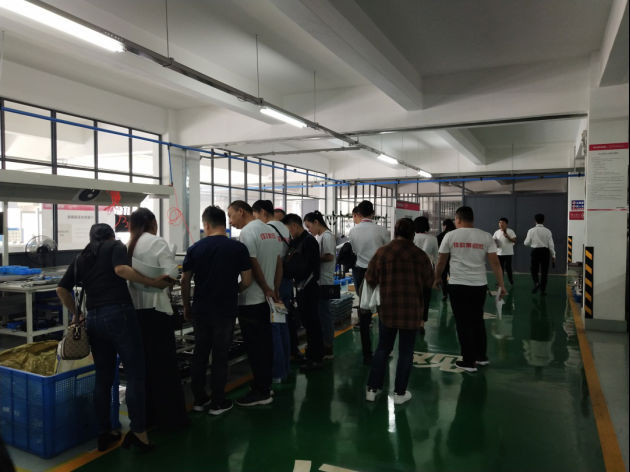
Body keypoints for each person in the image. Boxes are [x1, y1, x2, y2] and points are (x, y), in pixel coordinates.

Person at [56, 224, 171, 452]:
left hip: (93, 319)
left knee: (103, 378)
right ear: (111, 235)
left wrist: (77, 314)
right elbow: (121, 270)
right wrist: (154, 282)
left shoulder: (81, 258)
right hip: (119, 315)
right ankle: (139, 434)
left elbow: (61, 289)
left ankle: (104, 432)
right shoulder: (115, 246)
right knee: (136, 374)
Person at [181, 206, 252, 415]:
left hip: (201, 308)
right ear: (224, 222)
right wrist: (232, 290)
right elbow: (247, 280)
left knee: (200, 352)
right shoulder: (237, 248)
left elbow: (185, 280)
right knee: (220, 355)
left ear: (206, 225)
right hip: (225, 309)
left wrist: (186, 305)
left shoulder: (195, 249)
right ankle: (217, 402)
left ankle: (199, 399)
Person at [127, 208, 188, 430]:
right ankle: (170, 419)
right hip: (157, 311)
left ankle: (147, 418)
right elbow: (172, 274)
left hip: (136, 313)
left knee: (144, 368)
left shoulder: (129, 245)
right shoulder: (157, 242)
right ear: (152, 223)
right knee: (165, 368)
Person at [365, 218, 434, 404]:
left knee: (383, 348)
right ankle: (399, 394)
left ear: (395, 232)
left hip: (387, 309)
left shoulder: (382, 252)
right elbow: (429, 282)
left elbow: (370, 278)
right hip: (411, 310)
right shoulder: (420, 255)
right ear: (413, 234)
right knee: (406, 351)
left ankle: (372, 389)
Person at [434, 207, 506, 372]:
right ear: (472, 219)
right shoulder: (485, 236)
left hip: (458, 285)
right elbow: (495, 263)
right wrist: (501, 284)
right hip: (479, 285)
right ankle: (481, 357)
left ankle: (468, 361)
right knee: (477, 319)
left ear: (458, 219)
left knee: (462, 322)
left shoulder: (450, 236)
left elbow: (441, 261)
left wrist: (437, 278)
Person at [228, 200, 282, 406]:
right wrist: (275, 288)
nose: (230, 221)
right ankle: (264, 384)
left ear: (241, 211)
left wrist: (266, 287)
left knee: (255, 348)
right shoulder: (270, 231)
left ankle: (261, 392)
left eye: (231, 215)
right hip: (267, 300)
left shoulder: (248, 232)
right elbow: (278, 263)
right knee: (265, 345)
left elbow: (252, 264)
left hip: (252, 299)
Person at [348, 200, 391, 364]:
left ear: (358, 213)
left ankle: (367, 354)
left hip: (361, 272)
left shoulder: (353, 231)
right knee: (383, 310)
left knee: (364, 311)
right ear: (373, 213)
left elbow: (354, 251)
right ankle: (384, 350)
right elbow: (388, 252)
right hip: (380, 272)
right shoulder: (383, 231)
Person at [253, 200, 291, 382]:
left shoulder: (267, 230)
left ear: (262, 213)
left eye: (255, 215)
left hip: (271, 281)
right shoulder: (283, 229)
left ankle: (277, 371)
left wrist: (272, 288)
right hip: (282, 281)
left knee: (273, 327)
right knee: (282, 325)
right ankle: (285, 368)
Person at [282, 213, 324, 371]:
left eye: (288, 229)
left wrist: (286, 270)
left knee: (312, 323)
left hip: (309, 288)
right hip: (301, 287)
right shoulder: (296, 242)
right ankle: (311, 354)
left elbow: (305, 268)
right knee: (307, 322)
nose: (288, 233)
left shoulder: (308, 241)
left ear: (294, 226)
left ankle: (316, 358)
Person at [304, 211, 336, 360]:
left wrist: (311, 258)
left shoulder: (327, 236)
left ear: (316, 222)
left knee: (324, 315)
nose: (309, 230)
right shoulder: (321, 236)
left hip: (325, 281)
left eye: (309, 226)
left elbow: (329, 256)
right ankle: (324, 343)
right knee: (322, 313)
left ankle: (328, 346)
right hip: (321, 281)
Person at [413, 216, 439, 334]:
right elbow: (437, 259)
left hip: (412, 272)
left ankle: (412, 321)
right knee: (425, 298)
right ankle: (421, 324)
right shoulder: (433, 239)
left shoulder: (412, 237)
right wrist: (437, 277)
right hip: (427, 273)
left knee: (412, 297)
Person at [524, 213, 556, 295]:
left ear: (535, 220)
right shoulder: (548, 231)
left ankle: (536, 283)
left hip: (535, 251)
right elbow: (551, 245)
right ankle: (543, 290)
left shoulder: (531, 231)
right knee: (544, 272)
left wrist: (532, 243)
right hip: (545, 252)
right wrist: (553, 255)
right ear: (543, 220)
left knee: (534, 270)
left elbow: (526, 243)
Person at [492, 217, 517, 286]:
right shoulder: (496, 232)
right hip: (499, 253)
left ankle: (511, 281)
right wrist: (495, 244)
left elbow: (515, 241)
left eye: (502, 223)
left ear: (506, 224)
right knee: (500, 269)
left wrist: (508, 237)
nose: (501, 224)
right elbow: (493, 240)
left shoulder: (510, 231)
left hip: (508, 253)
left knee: (508, 268)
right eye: (499, 223)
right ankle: (500, 282)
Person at [436, 219, 456, 301]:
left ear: (445, 226)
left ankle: (445, 294)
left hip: (443, 259)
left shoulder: (440, 236)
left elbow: (437, 249)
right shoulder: (456, 235)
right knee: (454, 277)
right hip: (454, 260)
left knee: (443, 278)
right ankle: (453, 293)